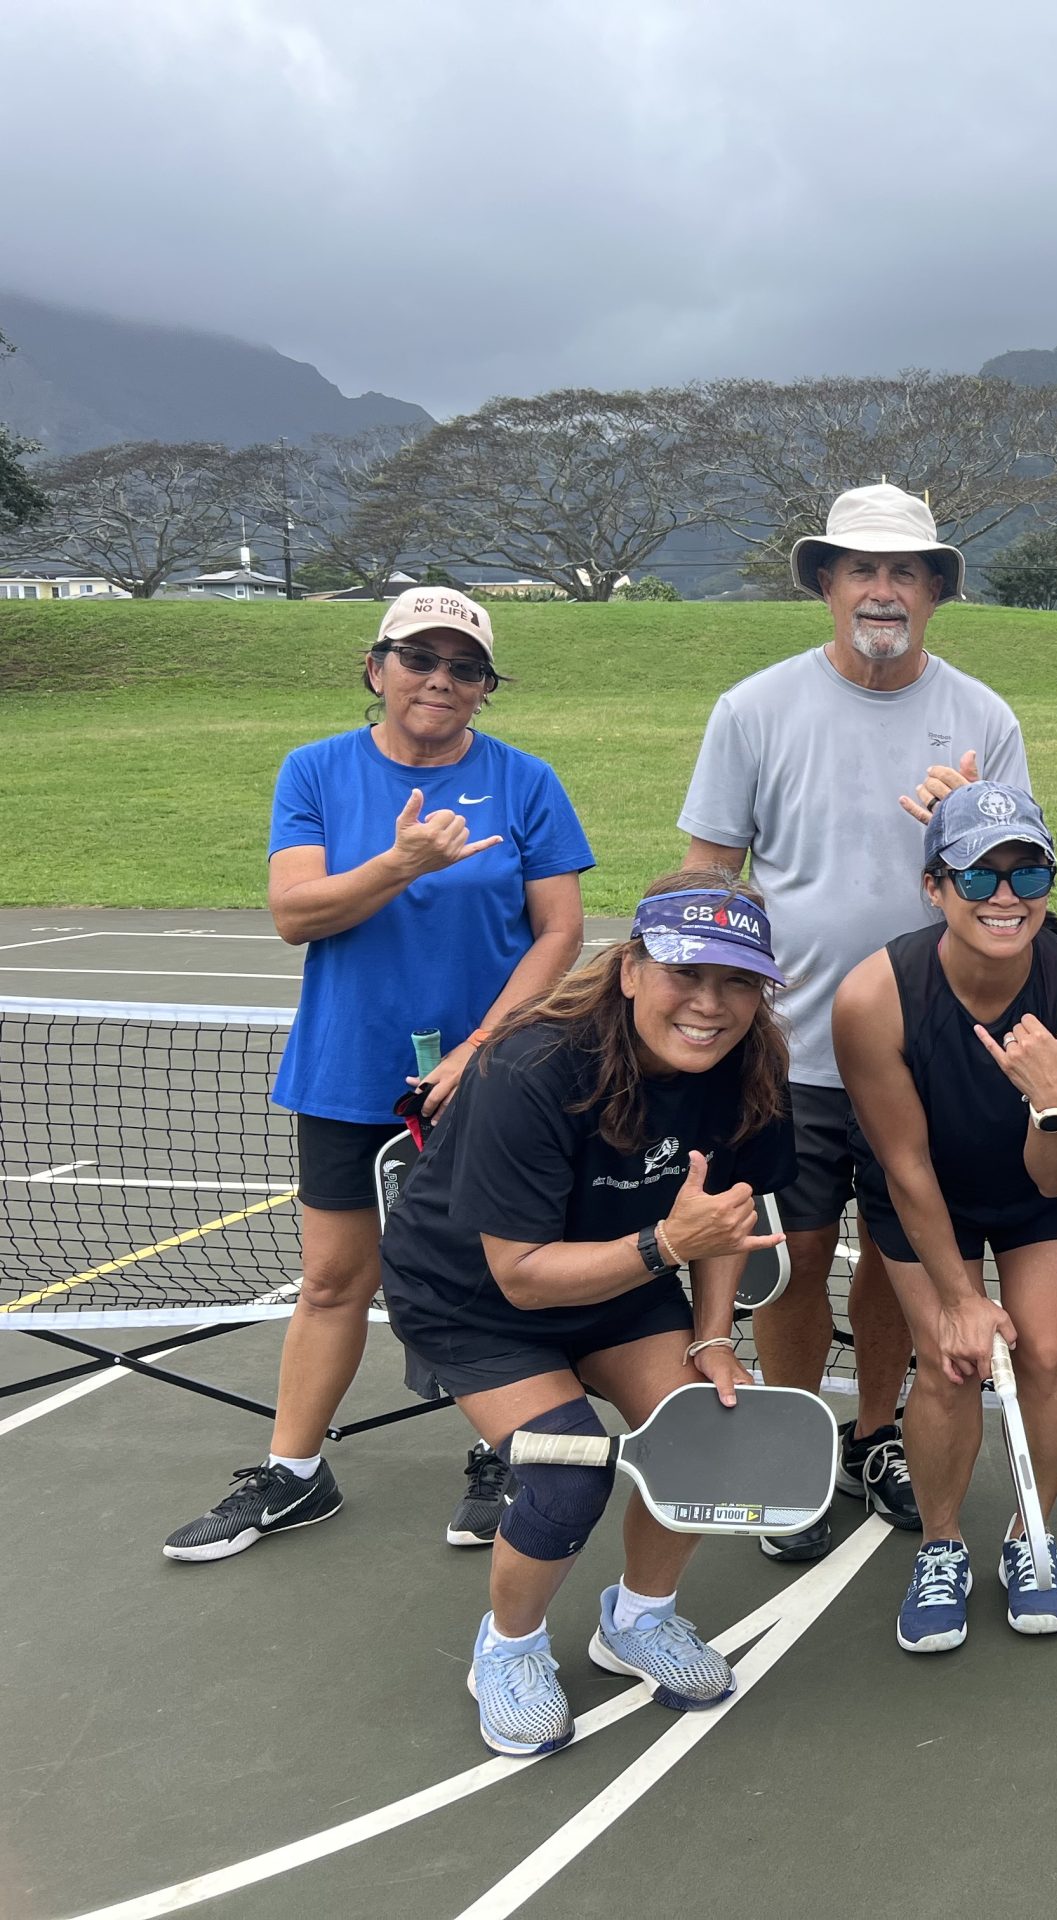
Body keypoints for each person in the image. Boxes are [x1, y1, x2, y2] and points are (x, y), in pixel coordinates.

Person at [164, 587, 591, 1564]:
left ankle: (509, 1453)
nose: (439, 680)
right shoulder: (315, 771)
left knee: (502, 1275)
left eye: (464, 667)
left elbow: (560, 929)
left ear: (486, 688)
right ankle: (295, 1474)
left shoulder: (525, 783)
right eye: (418, 659)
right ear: (376, 669)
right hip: (347, 1071)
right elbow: (295, 912)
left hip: (493, 1077)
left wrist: (486, 1044)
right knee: (331, 1281)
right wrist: (398, 863)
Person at [681, 482, 1028, 1558]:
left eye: (906, 573)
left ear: (935, 591)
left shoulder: (985, 720)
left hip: (925, 1063)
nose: (884, 590)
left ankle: (875, 1429)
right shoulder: (752, 709)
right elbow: (706, 881)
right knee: (792, 1249)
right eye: (862, 570)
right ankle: (796, 1434)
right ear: (827, 584)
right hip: (782, 1056)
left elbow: (1014, 888)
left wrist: (963, 825)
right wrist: (701, 1026)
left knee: (895, 1254)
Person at [379, 872, 797, 1756]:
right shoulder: (529, 1066)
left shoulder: (753, 1064)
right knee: (568, 1474)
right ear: (630, 970)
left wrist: (716, 1338)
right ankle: (509, 1647)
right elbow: (524, 1278)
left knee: (705, 1438)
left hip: (624, 1272)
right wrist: (667, 1250)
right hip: (476, 1298)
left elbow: (722, 1213)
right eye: (687, 973)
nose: (711, 1006)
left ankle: (636, 1621)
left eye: (737, 984)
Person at [833, 783, 1057, 1651]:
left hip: (1034, 1184)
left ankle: (1029, 1540)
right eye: (978, 873)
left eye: (1027, 869)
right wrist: (960, 1299)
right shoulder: (871, 999)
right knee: (949, 1362)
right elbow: (906, 1165)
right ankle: (942, 1543)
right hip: (925, 1192)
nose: (1006, 895)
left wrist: (1049, 1104)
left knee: (1044, 1351)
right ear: (935, 887)